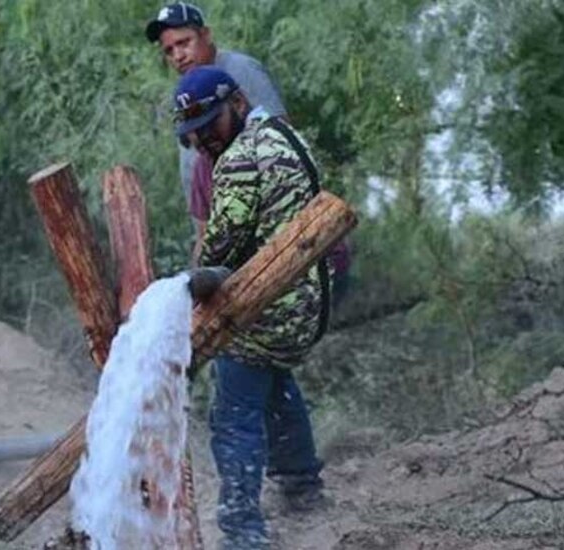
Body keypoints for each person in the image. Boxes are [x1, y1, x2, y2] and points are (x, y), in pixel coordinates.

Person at [173, 66, 331, 549]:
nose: (203, 142)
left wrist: (192, 283)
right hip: (305, 303)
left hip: (267, 308)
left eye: (209, 127)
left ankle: (243, 532)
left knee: (235, 414)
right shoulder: (285, 136)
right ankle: (302, 485)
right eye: (193, 135)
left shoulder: (240, 158)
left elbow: (220, 247)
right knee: (276, 382)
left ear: (237, 102)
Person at [145, 2, 287, 261]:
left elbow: (282, 136)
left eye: (184, 42)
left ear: (206, 35)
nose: (178, 55)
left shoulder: (241, 70)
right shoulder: (184, 97)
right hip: (214, 230)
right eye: (169, 50)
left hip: (271, 233)